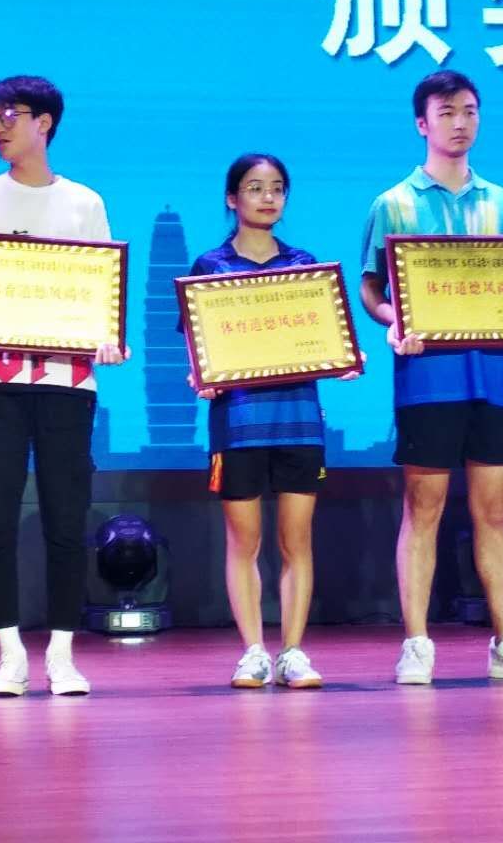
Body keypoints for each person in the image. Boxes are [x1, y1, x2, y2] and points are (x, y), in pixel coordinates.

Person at [360, 69, 503, 685]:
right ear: (421, 123)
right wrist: (394, 320)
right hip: (428, 378)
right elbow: (372, 289)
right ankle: (416, 643)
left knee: (495, 512)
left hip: (496, 377)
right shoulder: (393, 203)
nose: (460, 122)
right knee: (422, 508)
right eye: (447, 112)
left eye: (470, 111)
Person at [0, 75, 127, 696]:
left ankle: (63, 655)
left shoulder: (83, 203)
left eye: (11, 115)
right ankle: (9, 656)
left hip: (67, 381)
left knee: (65, 516)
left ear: (44, 123)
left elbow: (100, 292)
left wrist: (107, 337)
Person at [185, 153, 362, 689]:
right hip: (238, 425)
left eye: (277, 188)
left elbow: (325, 337)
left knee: (296, 542)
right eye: (255, 187)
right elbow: (198, 348)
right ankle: (253, 652)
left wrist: (342, 357)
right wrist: (203, 377)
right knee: (244, 543)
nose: (268, 197)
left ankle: (292, 653)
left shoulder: (304, 266)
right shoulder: (210, 268)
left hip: (299, 423)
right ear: (231, 198)